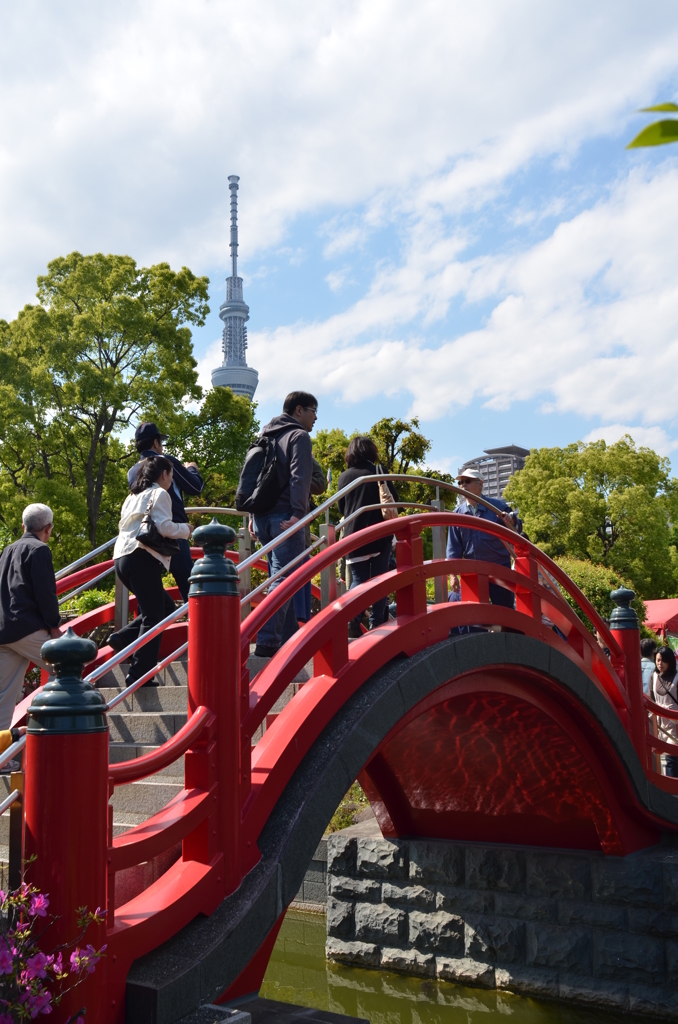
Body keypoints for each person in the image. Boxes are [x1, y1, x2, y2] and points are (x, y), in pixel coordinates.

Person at [112, 456, 193, 685]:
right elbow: (164, 527)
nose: (171, 480)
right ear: (164, 474)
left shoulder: (132, 496)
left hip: (121, 558)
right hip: (141, 557)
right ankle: (139, 674)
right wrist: (186, 529)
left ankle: (123, 637)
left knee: (165, 608)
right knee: (154, 617)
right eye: (172, 476)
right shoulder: (160, 493)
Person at [251, 392, 317, 658]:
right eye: (313, 411)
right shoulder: (299, 436)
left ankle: (288, 640)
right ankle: (266, 641)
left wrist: (252, 518)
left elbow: (253, 480)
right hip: (285, 517)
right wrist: (300, 514)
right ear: (299, 410)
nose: (315, 418)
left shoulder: (264, 436)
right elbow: (300, 478)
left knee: (279, 577)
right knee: (285, 579)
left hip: (262, 518)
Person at [0, 504, 61, 754]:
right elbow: (45, 592)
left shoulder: (7, 550)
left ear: (24, 525)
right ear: (48, 529)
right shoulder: (39, 549)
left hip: (4, 630)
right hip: (27, 627)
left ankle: (4, 756)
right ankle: (48, 727)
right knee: (69, 666)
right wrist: (54, 627)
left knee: (4, 696)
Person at [128, 422, 203, 602]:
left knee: (149, 597)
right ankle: (197, 627)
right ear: (155, 443)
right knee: (190, 590)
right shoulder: (164, 462)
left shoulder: (132, 471)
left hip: (144, 537)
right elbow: (195, 486)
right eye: (160, 442)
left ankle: (146, 630)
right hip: (172, 532)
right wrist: (192, 468)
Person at [337, 437, 399, 639]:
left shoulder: (344, 477)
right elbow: (394, 500)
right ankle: (376, 623)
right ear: (371, 452)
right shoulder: (378, 472)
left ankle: (351, 621)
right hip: (379, 535)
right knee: (380, 580)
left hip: (354, 536)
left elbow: (341, 508)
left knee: (359, 579)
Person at [447, 468, 521, 617]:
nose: (463, 485)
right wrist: (453, 575)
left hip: (499, 567)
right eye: (460, 482)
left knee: (505, 614)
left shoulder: (497, 507)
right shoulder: (458, 514)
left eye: (467, 481)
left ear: (480, 484)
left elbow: (517, 528)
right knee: (474, 615)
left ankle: (507, 639)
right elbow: (453, 547)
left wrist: (510, 520)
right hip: (473, 571)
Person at [650, 646, 678, 777]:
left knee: (671, 757)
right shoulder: (654, 676)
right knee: (668, 756)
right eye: (658, 660)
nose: (660, 663)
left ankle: (672, 791)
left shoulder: (677, 677)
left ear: (670, 662)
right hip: (660, 723)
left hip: (675, 722)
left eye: (663, 661)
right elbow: (651, 698)